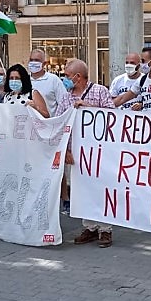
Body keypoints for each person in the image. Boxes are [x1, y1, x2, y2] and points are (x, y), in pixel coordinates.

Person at [56, 59, 117, 248]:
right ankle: (89, 227)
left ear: (78, 77)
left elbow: (113, 117)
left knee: (100, 189)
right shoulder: (66, 97)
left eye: (67, 76)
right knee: (82, 191)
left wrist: (90, 107)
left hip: (98, 152)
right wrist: (65, 149)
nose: (65, 79)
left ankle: (105, 229)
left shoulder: (100, 91)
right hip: (76, 152)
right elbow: (60, 122)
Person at [27, 49, 68, 116]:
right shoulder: (24, 80)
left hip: (49, 124)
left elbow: (64, 103)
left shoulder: (53, 80)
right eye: (31, 60)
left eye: (37, 60)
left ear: (44, 64)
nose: (33, 62)